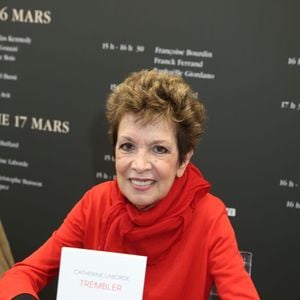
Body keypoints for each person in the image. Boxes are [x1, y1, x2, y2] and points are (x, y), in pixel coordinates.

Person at [0, 69, 260, 299]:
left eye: (159, 149)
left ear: (183, 159)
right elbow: (23, 275)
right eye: (128, 146)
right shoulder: (96, 203)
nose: (139, 165)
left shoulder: (208, 215)